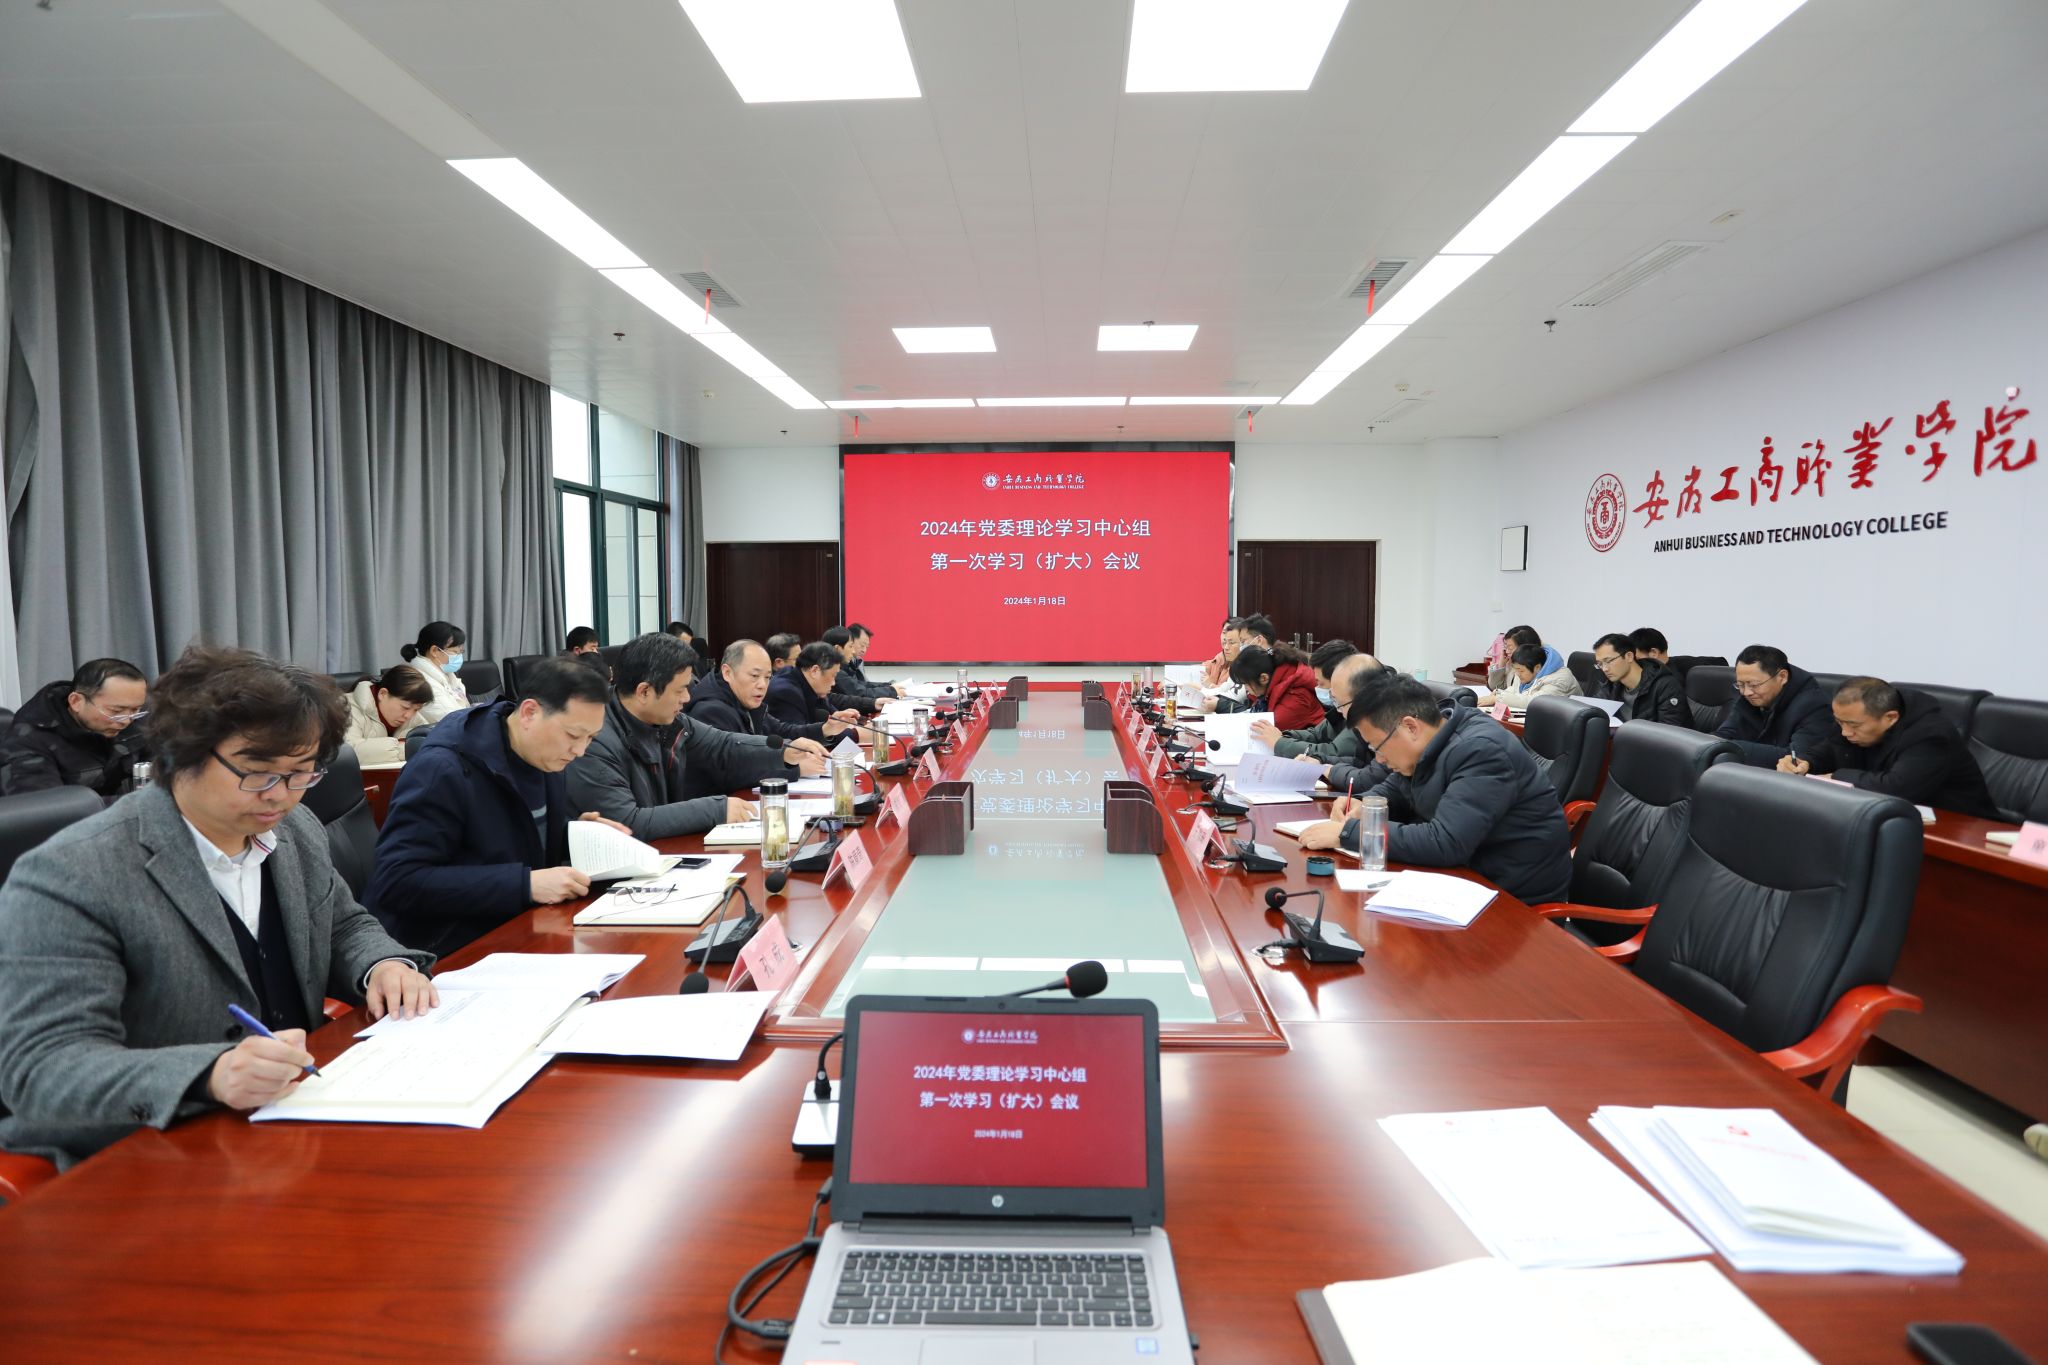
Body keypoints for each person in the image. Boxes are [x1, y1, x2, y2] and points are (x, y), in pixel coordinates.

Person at [0, 645, 437, 1169]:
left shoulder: (294, 830)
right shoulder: (73, 872)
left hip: (296, 1121)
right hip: (155, 1151)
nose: (281, 795)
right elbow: (42, 1067)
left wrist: (382, 965)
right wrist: (209, 1073)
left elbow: (341, 923)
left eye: (302, 773)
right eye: (258, 772)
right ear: (182, 753)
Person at [364, 656, 632, 957]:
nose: (580, 750)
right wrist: (524, 885)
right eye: (573, 735)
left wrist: (577, 836)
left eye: (590, 738)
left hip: (516, 928)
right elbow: (398, 880)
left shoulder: (543, 754)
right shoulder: (442, 769)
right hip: (445, 952)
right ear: (529, 713)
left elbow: (511, 833)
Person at [1299, 672, 1571, 904]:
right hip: (1465, 879)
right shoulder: (1432, 740)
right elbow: (1397, 787)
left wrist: (1349, 833)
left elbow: (1446, 842)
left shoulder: (1481, 751)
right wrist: (1365, 803)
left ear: (1410, 727)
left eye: (1377, 747)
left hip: (1513, 901)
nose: (1378, 759)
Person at [565, 633, 789, 840]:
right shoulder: (593, 741)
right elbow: (627, 822)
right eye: (680, 690)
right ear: (644, 692)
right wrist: (716, 809)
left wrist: (785, 752)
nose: (687, 698)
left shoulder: (670, 721)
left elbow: (723, 744)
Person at [1778, 677, 1999, 817]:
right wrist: (1805, 763)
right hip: (1893, 817)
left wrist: (1836, 778)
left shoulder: (1930, 734)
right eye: (1840, 723)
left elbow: (1899, 788)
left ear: (1890, 718)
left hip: (1963, 827)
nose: (1845, 732)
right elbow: (1830, 749)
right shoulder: (1853, 722)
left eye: (1853, 725)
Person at [0, 657, 151, 798]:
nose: (126, 721)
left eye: (135, 709)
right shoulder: (30, 740)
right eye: (116, 711)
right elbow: (45, 809)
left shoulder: (135, 719)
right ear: (76, 702)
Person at [687, 639, 847, 756]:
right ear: (727, 673)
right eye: (754, 676)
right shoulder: (711, 711)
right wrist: (788, 763)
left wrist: (825, 729)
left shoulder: (746, 700)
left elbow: (781, 730)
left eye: (767, 677)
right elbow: (736, 761)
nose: (762, 685)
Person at [1716, 644, 1834, 767]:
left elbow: (1796, 760)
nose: (1746, 692)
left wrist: (1726, 747)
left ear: (1782, 677)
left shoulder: (1815, 706)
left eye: (1754, 685)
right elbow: (1727, 733)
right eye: (1740, 684)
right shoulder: (1749, 695)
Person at [1251, 640, 1361, 762]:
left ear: (1339, 679)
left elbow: (1334, 752)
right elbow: (1317, 734)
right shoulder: (1340, 704)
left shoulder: (1361, 709)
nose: (1317, 687)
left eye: (1320, 683)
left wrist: (1280, 743)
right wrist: (1283, 736)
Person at [1589, 632, 1688, 725]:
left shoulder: (1665, 685)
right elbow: (1591, 709)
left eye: (1608, 661)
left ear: (1629, 656)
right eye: (1600, 664)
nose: (1605, 669)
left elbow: (1670, 730)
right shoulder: (1611, 685)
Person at [343, 664, 433, 764]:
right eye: (405, 707)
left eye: (416, 710)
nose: (409, 716)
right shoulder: (345, 709)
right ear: (383, 694)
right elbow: (349, 751)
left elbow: (430, 741)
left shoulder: (412, 715)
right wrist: (406, 749)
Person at [1227, 643, 1322, 730]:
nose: (1246, 689)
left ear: (1264, 678)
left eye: (1246, 684)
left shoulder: (1297, 695)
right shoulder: (1272, 687)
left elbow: (1266, 728)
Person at [767, 643, 856, 732]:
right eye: (833, 676)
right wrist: (853, 734)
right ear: (815, 671)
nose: (833, 683)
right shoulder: (786, 693)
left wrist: (843, 718)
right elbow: (799, 737)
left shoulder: (812, 686)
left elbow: (832, 716)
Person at [398, 621, 470, 727]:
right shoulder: (420, 682)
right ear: (435, 651)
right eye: (455, 652)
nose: (459, 657)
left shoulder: (446, 675)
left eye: (460, 652)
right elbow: (452, 721)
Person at [1478, 643, 1584, 710]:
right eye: (1516, 669)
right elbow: (1517, 691)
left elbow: (1536, 702)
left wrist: (1498, 698)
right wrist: (1499, 693)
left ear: (1537, 667)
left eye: (1520, 670)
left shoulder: (1559, 679)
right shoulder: (1527, 671)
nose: (1517, 674)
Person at [1484, 625, 1564, 691]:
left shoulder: (1538, 667)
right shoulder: (1513, 662)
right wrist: (1501, 666)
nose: (1507, 651)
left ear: (1525, 647)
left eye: (1510, 648)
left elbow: (1525, 698)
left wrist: (1498, 697)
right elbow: (1498, 688)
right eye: (1505, 647)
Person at [836, 622, 901, 700]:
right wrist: (890, 690)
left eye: (867, 647)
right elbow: (858, 691)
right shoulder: (838, 666)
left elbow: (863, 684)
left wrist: (888, 686)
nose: (864, 650)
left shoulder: (858, 661)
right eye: (862, 645)